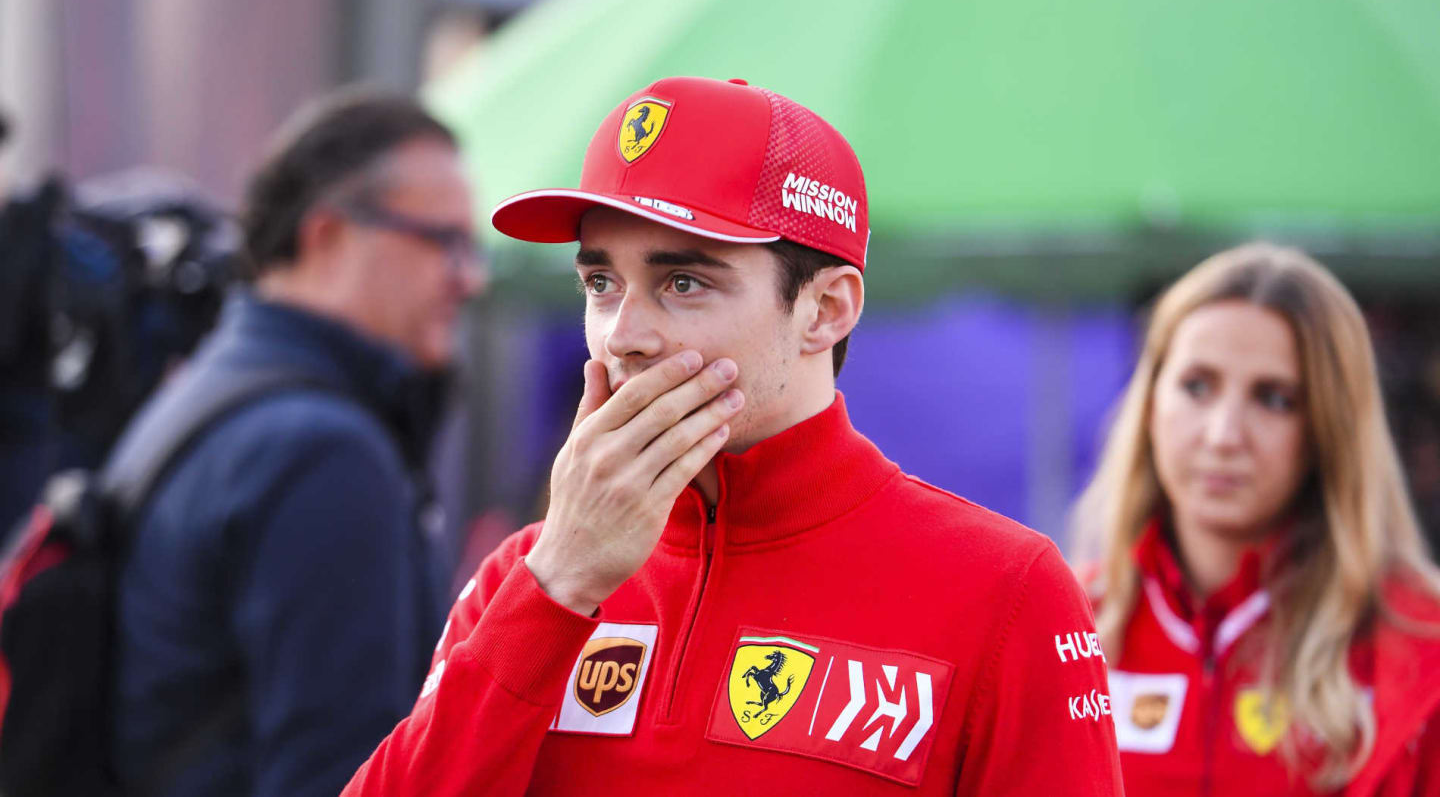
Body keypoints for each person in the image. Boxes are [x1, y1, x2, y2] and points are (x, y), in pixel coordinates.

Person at [344, 76, 1122, 795]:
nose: (623, 335)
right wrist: (558, 589)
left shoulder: (1006, 589)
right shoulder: (528, 575)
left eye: (684, 283)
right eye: (600, 283)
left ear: (825, 310)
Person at [109, 89, 485, 796]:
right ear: (329, 235)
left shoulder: (213, 397)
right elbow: (339, 772)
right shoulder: (320, 455)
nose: (471, 279)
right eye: (445, 243)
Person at [1071, 243, 1440, 795]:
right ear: (1150, 403)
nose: (1223, 435)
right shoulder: (1063, 625)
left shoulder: (1420, 644)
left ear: (1328, 430)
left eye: (1274, 398)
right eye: (1197, 386)